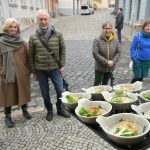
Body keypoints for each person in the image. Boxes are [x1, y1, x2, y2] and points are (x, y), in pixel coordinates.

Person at [29, 10, 70, 121]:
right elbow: (31, 56)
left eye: (45, 19)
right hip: (40, 69)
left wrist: (61, 65)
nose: (43, 21)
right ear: (37, 21)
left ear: (49, 20)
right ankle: (49, 111)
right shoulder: (33, 37)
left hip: (54, 68)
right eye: (40, 19)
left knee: (60, 90)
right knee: (45, 93)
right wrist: (33, 71)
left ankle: (60, 108)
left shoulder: (58, 34)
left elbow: (63, 50)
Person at [0, 18, 32, 128]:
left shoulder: (22, 42)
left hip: (21, 73)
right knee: (8, 96)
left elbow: (28, 58)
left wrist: (27, 70)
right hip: (7, 74)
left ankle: (25, 110)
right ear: (6, 28)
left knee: (22, 92)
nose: (13, 29)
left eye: (15, 27)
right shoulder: (1, 42)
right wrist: (1, 71)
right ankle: (8, 116)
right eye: (11, 27)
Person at [92, 21, 121, 86]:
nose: (108, 30)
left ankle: (104, 95)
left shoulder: (116, 40)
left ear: (111, 29)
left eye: (109, 28)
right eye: (106, 28)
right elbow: (95, 53)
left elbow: (118, 52)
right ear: (103, 29)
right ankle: (95, 96)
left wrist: (113, 62)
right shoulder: (97, 40)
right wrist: (106, 62)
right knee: (97, 85)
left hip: (110, 67)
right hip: (100, 67)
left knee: (105, 84)